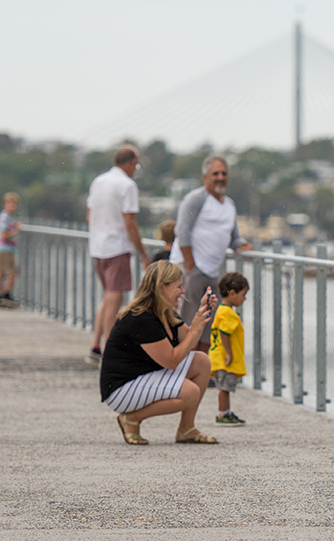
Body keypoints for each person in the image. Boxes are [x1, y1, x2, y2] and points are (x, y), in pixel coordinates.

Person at [100, 260, 218, 445]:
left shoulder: (165, 313)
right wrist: (195, 330)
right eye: (178, 286)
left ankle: (186, 429)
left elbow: (188, 341)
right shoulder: (141, 317)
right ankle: (130, 418)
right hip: (121, 389)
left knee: (201, 361)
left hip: (142, 377)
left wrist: (200, 315)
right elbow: (171, 360)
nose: (183, 291)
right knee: (189, 392)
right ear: (162, 287)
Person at [169, 155, 252, 353]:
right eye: (215, 173)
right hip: (192, 269)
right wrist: (190, 266)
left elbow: (233, 238)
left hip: (212, 272)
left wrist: (243, 245)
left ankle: (202, 372)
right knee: (189, 323)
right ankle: (184, 372)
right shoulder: (196, 199)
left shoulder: (229, 205)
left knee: (209, 325)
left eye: (224, 173)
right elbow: (182, 231)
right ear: (205, 177)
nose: (220, 177)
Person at [86, 145, 150, 365]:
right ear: (131, 163)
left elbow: (89, 215)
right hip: (117, 247)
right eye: (137, 165)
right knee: (115, 297)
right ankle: (110, 351)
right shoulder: (127, 185)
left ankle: (96, 345)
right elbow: (130, 223)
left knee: (107, 296)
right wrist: (143, 253)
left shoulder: (98, 181)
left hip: (98, 247)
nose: (136, 169)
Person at [209, 271, 250, 426]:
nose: (244, 299)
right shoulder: (228, 314)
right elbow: (224, 333)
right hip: (223, 358)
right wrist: (229, 353)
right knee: (224, 387)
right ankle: (222, 414)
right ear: (232, 293)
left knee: (225, 386)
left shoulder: (222, 310)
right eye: (243, 294)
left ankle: (226, 411)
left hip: (217, 356)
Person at [0, 192, 22, 308]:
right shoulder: (5, 217)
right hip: (4, 249)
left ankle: (1, 296)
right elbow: (4, 234)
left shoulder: (7, 217)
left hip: (5, 248)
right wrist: (16, 230)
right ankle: (5, 295)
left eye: (14, 204)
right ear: (5, 204)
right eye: (10, 203)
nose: (13, 206)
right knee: (10, 272)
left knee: (1, 272)